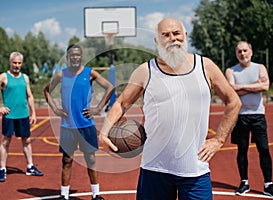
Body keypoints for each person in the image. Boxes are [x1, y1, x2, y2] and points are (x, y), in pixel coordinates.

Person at [99, 18, 241, 200]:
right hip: (154, 167)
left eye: (176, 33)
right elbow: (121, 103)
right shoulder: (146, 71)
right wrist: (104, 132)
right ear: (157, 41)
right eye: (165, 35)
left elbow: (233, 101)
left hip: (194, 169)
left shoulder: (205, 67)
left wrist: (219, 140)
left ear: (185, 36)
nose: (172, 38)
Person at [44, 44, 113, 200]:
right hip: (67, 125)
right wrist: (55, 109)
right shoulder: (61, 75)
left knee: (91, 159)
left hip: (86, 124)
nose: (75, 57)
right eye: (72, 55)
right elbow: (46, 90)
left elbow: (110, 87)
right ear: (68, 57)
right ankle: (64, 195)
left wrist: (98, 108)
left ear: (81, 56)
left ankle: (96, 195)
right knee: (67, 160)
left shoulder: (90, 73)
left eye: (77, 55)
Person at [225, 41, 273, 197]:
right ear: (236, 54)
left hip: (258, 116)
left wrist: (240, 87)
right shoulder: (230, 71)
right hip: (240, 116)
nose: (242, 54)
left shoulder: (260, 68)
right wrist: (255, 85)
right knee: (242, 150)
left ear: (251, 52)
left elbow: (265, 87)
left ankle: (268, 184)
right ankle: (244, 182)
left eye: (245, 51)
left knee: (264, 149)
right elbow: (231, 92)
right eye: (239, 51)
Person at [0, 51, 43, 182]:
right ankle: (2, 169)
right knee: (6, 141)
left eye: (19, 63)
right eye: (14, 62)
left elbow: (29, 96)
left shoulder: (25, 77)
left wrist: (33, 112)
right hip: (9, 115)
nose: (17, 65)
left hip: (23, 115)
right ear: (10, 63)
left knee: (27, 140)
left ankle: (30, 167)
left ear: (21, 64)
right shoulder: (3, 77)